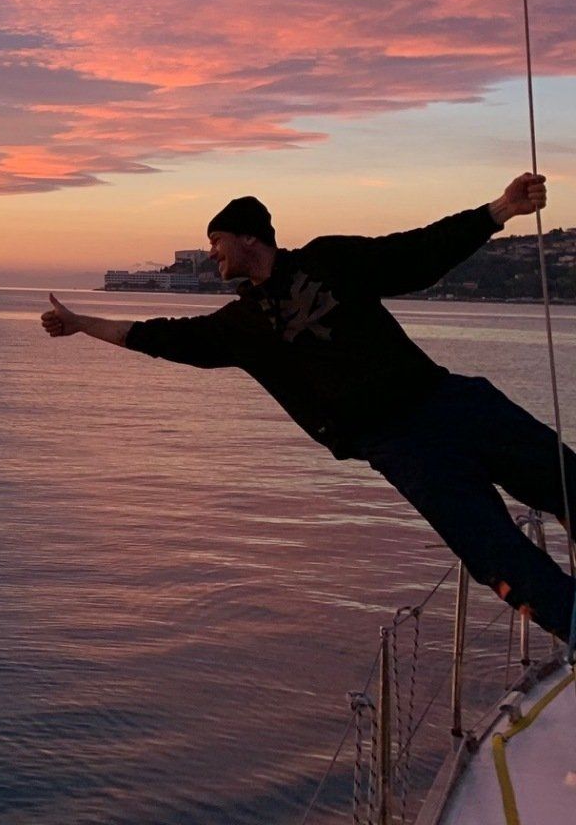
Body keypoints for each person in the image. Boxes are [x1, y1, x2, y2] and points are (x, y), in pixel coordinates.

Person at [40, 174, 576, 642]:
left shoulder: (329, 260)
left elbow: (414, 253)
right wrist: (83, 324)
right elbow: (157, 337)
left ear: (249, 236)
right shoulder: (240, 327)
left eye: (216, 241)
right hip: (401, 448)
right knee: (499, 557)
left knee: (565, 481)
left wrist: (501, 209)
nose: (210, 253)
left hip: (449, 400)